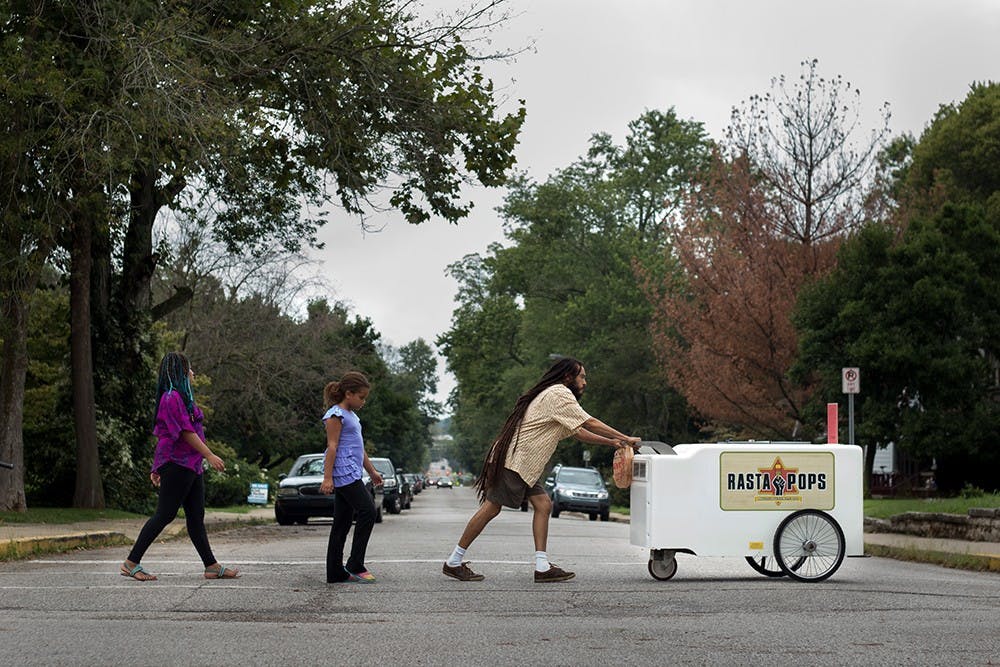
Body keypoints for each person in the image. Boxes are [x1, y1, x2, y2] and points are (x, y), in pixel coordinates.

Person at [442, 357, 640, 583]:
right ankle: (454, 561)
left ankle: (542, 566)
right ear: (568, 377)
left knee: (544, 505)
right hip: (514, 461)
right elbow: (589, 422)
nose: (585, 382)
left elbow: (578, 432)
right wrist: (624, 437)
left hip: (525, 465)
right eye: (582, 377)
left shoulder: (553, 395)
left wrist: (612, 443)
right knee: (491, 508)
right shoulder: (558, 393)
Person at [120, 352, 240, 581]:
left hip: (191, 464)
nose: (193, 373)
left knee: (196, 517)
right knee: (164, 514)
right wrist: (209, 454)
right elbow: (184, 433)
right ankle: (131, 562)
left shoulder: (184, 399)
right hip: (177, 463)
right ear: (180, 372)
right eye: (190, 369)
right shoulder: (171, 398)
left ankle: (211, 566)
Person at [319, 371, 383, 583]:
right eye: (361, 397)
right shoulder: (335, 415)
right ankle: (355, 563)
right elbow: (332, 447)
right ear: (349, 394)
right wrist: (328, 478)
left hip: (352, 470)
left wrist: (372, 471)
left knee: (342, 522)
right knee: (368, 511)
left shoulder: (351, 416)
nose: (363, 401)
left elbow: (359, 447)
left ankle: (335, 572)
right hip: (343, 471)